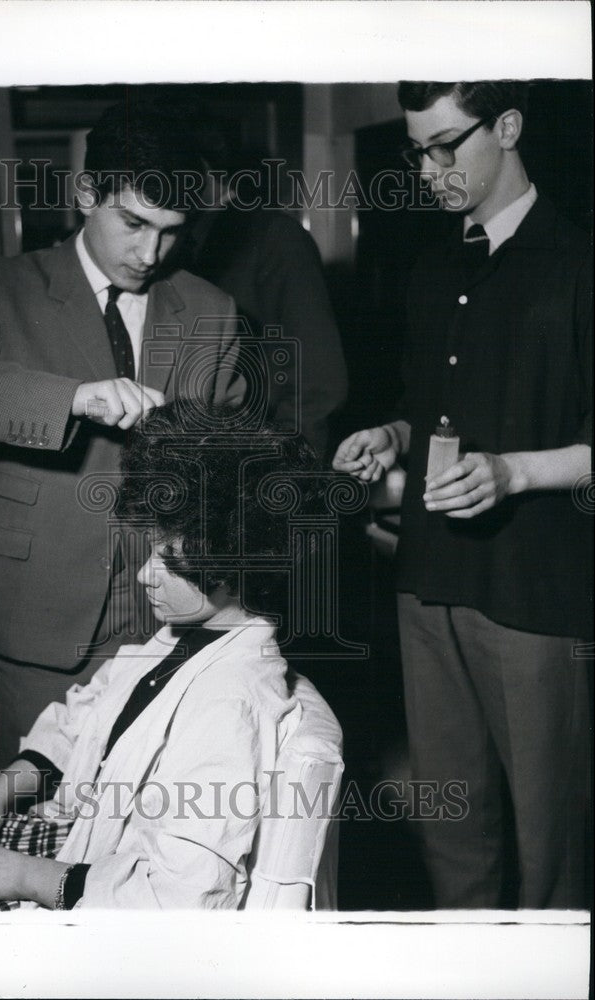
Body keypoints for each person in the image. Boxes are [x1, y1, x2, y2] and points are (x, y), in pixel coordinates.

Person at [0, 403, 334, 913]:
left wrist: (28, 876)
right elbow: (79, 718)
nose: (146, 574)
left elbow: (184, 899)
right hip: (79, 849)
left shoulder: (229, 704)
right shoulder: (181, 637)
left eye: (169, 562)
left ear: (234, 565)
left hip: (85, 899)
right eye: (151, 550)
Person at [0, 101, 246, 767]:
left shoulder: (212, 310)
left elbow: (234, 467)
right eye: (133, 223)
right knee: (34, 824)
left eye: (171, 232)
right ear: (86, 193)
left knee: (144, 833)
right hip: (39, 619)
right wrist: (73, 399)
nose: (149, 253)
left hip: (166, 617)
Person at [333, 81, 592, 908]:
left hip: (533, 596)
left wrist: (514, 472)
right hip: (425, 582)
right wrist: (391, 437)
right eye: (417, 150)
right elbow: (424, 408)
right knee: (451, 835)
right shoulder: (433, 263)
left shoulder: (578, 264)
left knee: (550, 844)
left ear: (507, 126)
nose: (428, 169)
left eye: (447, 144)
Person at [187, 118, 348, 461]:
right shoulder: (179, 244)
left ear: (203, 170)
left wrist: (286, 479)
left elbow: (318, 384)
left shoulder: (276, 238)